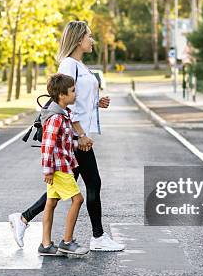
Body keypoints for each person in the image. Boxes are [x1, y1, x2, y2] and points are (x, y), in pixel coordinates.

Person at [8, 21, 125, 252]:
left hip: (77, 134)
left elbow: (76, 99)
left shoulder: (79, 64)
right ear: (79, 39)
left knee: (63, 187)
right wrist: (80, 134)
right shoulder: (69, 64)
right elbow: (63, 101)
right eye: (89, 36)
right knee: (91, 183)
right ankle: (97, 238)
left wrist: (96, 102)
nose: (92, 40)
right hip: (72, 137)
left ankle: (23, 219)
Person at [38, 73, 88, 256]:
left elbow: (62, 143)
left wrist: (79, 142)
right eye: (73, 91)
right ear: (62, 95)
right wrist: (47, 170)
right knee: (78, 199)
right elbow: (47, 145)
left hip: (61, 165)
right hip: (59, 169)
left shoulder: (63, 114)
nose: (76, 94)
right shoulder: (56, 118)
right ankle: (67, 242)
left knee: (50, 203)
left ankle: (45, 245)